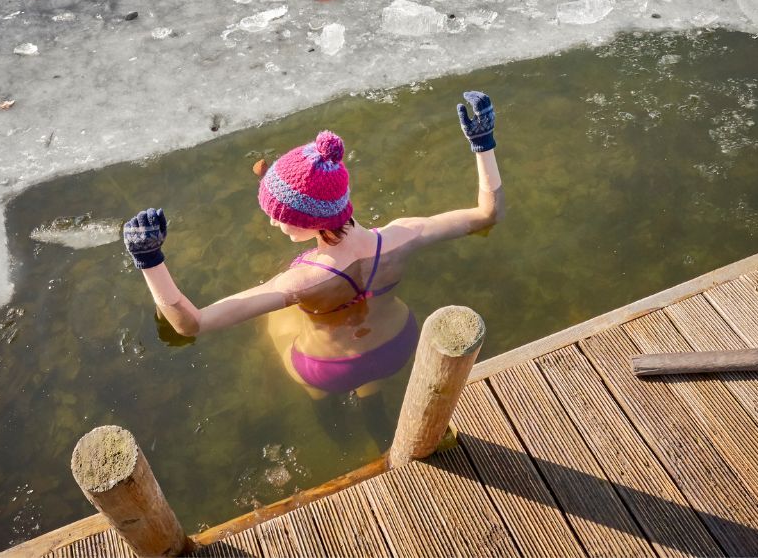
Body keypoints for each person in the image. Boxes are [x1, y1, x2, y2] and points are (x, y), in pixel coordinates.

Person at [122, 91, 504, 402]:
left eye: (280, 217)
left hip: (330, 368)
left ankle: (319, 401)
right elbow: (487, 215)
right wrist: (483, 144)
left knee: (277, 322)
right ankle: (371, 397)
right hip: (398, 344)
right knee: (371, 375)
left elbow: (191, 324)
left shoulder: (298, 282)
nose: (273, 223)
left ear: (311, 222)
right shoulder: (403, 234)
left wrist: (150, 260)